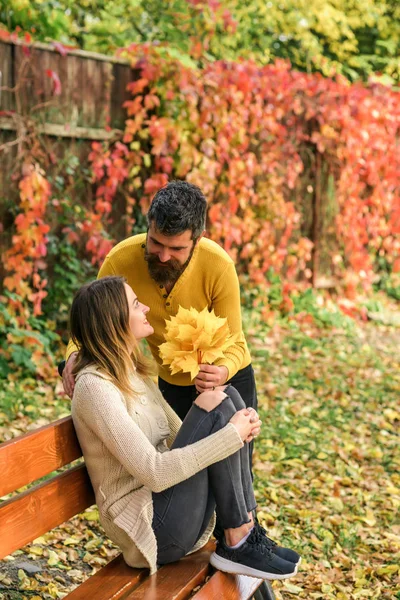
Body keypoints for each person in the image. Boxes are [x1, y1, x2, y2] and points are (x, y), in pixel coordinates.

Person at [69, 276, 300, 579]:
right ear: (115, 322)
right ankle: (239, 539)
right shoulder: (94, 388)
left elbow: (181, 437)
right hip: (153, 532)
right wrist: (231, 435)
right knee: (221, 412)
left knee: (224, 396)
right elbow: (155, 471)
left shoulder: (130, 374)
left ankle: (244, 533)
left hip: (169, 510)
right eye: (137, 305)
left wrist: (217, 418)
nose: (147, 309)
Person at [62, 181, 258, 427]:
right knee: (181, 459)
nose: (164, 256)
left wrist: (223, 371)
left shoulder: (219, 266)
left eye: (176, 248)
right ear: (148, 228)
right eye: (156, 243)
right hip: (170, 385)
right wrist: (73, 353)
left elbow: (235, 342)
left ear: (198, 240)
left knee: (233, 466)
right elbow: (92, 322)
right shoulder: (119, 261)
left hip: (228, 381)